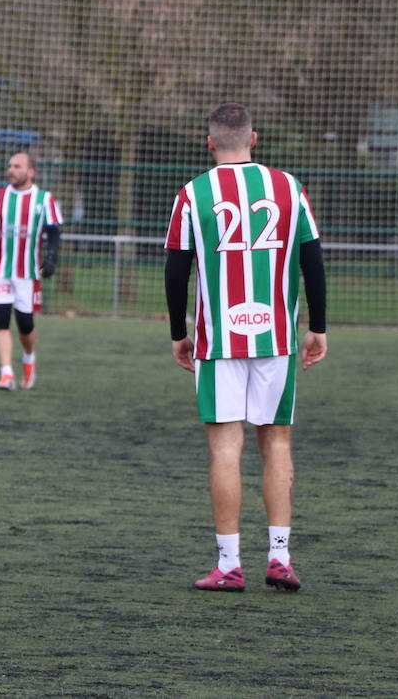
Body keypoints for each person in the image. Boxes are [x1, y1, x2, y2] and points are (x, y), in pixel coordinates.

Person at [164, 103, 327, 593]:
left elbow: (176, 269)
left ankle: (229, 564)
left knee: (225, 450)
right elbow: (312, 261)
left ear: (210, 142)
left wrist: (179, 331)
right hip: (276, 336)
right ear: (253, 139)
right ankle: (280, 557)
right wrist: (317, 326)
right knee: (276, 444)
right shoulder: (289, 188)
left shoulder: (193, 194)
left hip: (219, 341)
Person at [0, 152, 62, 390]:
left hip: (27, 273)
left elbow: (54, 233)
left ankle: (29, 358)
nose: (11, 170)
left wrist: (52, 258)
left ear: (31, 171)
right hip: (0, 270)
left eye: (17, 166)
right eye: (9, 165)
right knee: (1, 321)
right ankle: (6, 374)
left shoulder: (44, 199)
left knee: (25, 324)